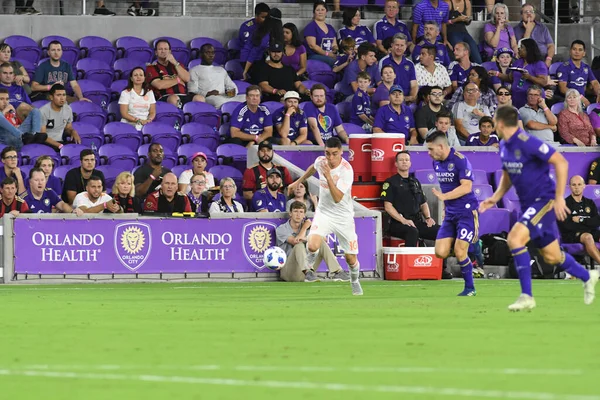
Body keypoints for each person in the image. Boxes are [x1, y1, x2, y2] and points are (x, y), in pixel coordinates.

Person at [479, 106, 599, 311]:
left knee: (515, 239)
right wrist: (495, 197)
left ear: (500, 123)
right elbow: (508, 173)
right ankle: (587, 276)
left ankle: (527, 295)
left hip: (543, 201)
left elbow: (560, 162)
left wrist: (560, 197)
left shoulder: (528, 143)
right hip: (529, 204)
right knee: (552, 256)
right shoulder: (504, 146)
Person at [287, 137, 363, 296]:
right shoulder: (321, 161)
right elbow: (312, 169)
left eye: (334, 154)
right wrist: (298, 182)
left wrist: (328, 176)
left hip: (343, 217)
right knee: (313, 245)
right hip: (324, 213)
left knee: (351, 259)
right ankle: (309, 264)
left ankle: (355, 281)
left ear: (341, 152)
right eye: (327, 153)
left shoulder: (346, 171)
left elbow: (337, 198)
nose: (330, 158)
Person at [425, 130, 479, 296]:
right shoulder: (436, 163)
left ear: (441, 146)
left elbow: (466, 187)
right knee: (440, 252)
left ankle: (470, 288)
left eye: (431, 149)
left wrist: (444, 197)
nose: (429, 153)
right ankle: (465, 243)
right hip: (450, 213)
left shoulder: (460, 160)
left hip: (466, 211)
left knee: (459, 251)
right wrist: (446, 205)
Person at [276, 201, 346, 282]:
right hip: (288, 272)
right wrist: (305, 227)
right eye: (295, 211)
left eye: (301, 212)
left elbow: (324, 239)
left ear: (304, 215)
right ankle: (308, 272)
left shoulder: (310, 228)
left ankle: (337, 271)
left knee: (320, 242)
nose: (298, 214)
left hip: (304, 273)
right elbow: (295, 241)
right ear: (290, 214)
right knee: (299, 245)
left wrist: (307, 237)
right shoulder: (281, 229)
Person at [381, 151, 439, 247]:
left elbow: (423, 203)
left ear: (410, 163)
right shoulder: (390, 182)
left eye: (407, 160)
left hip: (417, 222)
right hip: (398, 223)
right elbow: (388, 207)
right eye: (401, 160)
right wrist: (403, 220)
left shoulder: (415, 182)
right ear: (396, 164)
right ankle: (411, 261)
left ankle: (444, 260)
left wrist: (428, 218)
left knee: (442, 231)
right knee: (412, 231)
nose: (404, 162)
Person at [491, 38, 548, 109]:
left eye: (521, 47)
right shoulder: (518, 62)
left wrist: (529, 77)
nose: (519, 49)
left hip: (532, 100)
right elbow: (510, 78)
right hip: (516, 97)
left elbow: (543, 82)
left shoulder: (539, 64)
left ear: (528, 49)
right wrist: (496, 74)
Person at [146, 40, 203, 108]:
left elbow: (187, 78)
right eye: (160, 49)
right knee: (174, 98)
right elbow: (159, 85)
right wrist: (178, 80)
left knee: (199, 98)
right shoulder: (152, 68)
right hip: (165, 97)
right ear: (156, 52)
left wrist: (175, 62)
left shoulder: (178, 65)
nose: (163, 51)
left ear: (170, 52)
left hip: (183, 95)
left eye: (166, 49)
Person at [188, 44, 246, 109]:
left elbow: (232, 86)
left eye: (213, 53)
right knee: (218, 101)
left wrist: (231, 92)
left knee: (246, 98)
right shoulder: (194, 70)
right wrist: (207, 93)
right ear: (201, 54)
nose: (211, 55)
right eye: (207, 52)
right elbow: (192, 91)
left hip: (225, 96)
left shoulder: (221, 69)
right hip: (210, 98)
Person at [559, 175, 600, 265]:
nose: (577, 187)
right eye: (574, 185)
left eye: (579, 184)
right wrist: (588, 222)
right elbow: (566, 226)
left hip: (590, 231)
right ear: (569, 187)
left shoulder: (590, 202)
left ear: (584, 185)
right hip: (571, 235)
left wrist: (581, 220)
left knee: (591, 234)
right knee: (588, 237)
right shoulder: (564, 204)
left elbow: (597, 222)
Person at [241, 8, 284, 81]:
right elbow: (253, 53)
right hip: (249, 60)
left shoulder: (276, 33)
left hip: (261, 59)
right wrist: (245, 71)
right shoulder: (264, 34)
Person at [557, 40, 600, 107]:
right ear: (570, 51)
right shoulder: (564, 67)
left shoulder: (586, 67)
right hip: (569, 100)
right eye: (574, 49)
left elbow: (595, 83)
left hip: (583, 100)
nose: (577, 52)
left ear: (584, 53)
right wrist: (579, 97)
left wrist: (599, 93)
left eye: (580, 50)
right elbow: (562, 88)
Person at [378, 34, 418, 103]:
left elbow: (414, 85)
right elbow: (380, 83)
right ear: (392, 45)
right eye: (397, 45)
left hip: (407, 99)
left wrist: (411, 97)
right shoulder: (384, 61)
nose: (399, 48)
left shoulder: (410, 64)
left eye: (402, 45)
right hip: (390, 99)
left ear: (405, 47)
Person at [39, 84, 81, 148]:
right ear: (51, 97)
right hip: (46, 144)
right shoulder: (43, 111)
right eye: (58, 95)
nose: (62, 98)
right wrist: (60, 146)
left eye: (64, 95)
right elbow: (42, 136)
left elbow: (68, 128)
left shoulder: (68, 109)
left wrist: (73, 131)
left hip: (61, 142)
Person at [443, 0, 481, 64]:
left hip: (464, 32)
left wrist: (467, 19)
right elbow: (443, 23)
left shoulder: (467, 2)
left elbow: (468, 22)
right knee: (461, 53)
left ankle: (478, 71)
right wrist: (456, 20)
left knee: (476, 57)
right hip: (452, 32)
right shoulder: (448, 3)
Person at [304, 1, 339, 67]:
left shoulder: (330, 27)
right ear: (314, 13)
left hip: (330, 55)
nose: (320, 12)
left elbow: (334, 44)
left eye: (322, 10)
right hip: (315, 56)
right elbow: (313, 46)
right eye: (317, 10)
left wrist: (335, 49)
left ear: (326, 12)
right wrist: (328, 54)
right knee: (335, 62)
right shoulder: (311, 27)